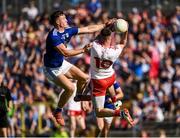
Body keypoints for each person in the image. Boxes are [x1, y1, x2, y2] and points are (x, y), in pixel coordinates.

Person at [43, 10, 112, 126]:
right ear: (57, 22)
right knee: (70, 88)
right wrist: (83, 50)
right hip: (51, 69)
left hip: (61, 63)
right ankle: (58, 111)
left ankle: (79, 97)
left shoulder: (68, 30)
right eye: (63, 19)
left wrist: (105, 25)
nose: (66, 20)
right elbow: (66, 53)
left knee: (85, 78)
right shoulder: (53, 37)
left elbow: (88, 29)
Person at [88, 26, 134, 126]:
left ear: (101, 38)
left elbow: (96, 38)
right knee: (111, 90)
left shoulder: (95, 47)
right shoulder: (114, 51)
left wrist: (107, 26)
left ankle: (121, 113)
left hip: (98, 81)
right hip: (110, 78)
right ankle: (115, 102)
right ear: (110, 38)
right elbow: (123, 42)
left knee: (99, 112)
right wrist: (125, 29)